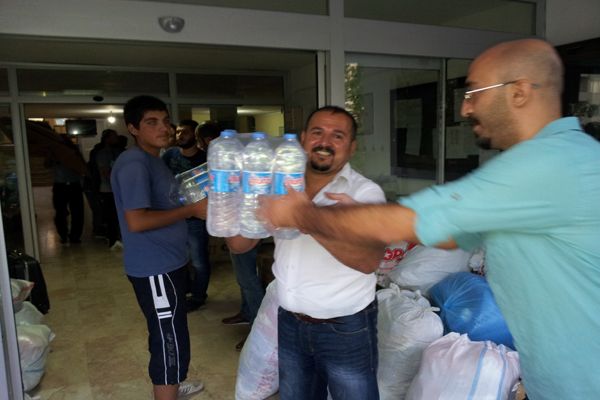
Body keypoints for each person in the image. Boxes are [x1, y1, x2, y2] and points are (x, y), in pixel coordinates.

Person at [259, 39, 600, 400]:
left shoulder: (546, 165)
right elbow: (448, 234)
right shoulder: (555, 159)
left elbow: (410, 222)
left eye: (473, 92)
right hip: (557, 378)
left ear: (518, 92)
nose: (466, 108)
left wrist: (302, 215)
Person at [226, 106, 385, 399]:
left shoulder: (366, 194)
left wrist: (306, 218)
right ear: (302, 139)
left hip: (345, 328)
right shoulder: (279, 185)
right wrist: (235, 201)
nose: (325, 142)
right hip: (290, 322)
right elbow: (239, 245)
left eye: (338, 136)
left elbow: (368, 261)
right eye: (317, 132)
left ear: (352, 147)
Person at [111, 95, 206, 400]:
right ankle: (167, 389)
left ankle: (173, 385)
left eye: (166, 120)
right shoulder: (134, 163)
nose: (163, 127)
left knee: (173, 333)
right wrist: (191, 211)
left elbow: (166, 203)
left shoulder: (154, 159)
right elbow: (137, 221)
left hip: (168, 264)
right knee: (168, 338)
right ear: (133, 128)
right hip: (155, 269)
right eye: (152, 122)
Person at [162, 119, 211, 312]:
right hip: (173, 217)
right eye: (178, 132)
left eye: (185, 132)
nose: (180, 136)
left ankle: (198, 296)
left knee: (199, 260)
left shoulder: (206, 159)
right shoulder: (169, 155)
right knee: (177, 259)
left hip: (195, 219)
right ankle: (184, 290)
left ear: (195, 136)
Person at [46, 134, 86, 244]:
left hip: (73, 184)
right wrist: (51, 155)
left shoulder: (74, 151)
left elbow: (81, 166)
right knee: (61, 213)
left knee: (77, 212)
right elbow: (47, 164)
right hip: (61, 185)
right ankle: (63, 235)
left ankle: (75, 236)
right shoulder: (53, 152)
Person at [95, 128, 122, 249]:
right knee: (111, 216)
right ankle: (112, 240)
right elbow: (105, 172)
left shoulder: (118, 152)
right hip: (108, 189)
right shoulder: (102, 154)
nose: (116, 139)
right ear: (107, 139)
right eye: (114, 137)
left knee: (119, 215)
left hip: (119, 189)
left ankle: (119, 237)